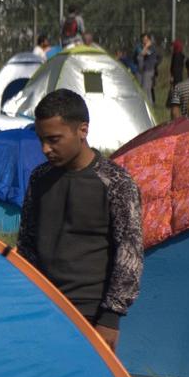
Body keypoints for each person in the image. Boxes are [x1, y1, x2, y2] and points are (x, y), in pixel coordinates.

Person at [18, 89, 141, 350]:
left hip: (91, 314)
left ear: (82, 130)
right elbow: (26, 243)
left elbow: (129, 254)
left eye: (54, 140)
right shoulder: (39, 178)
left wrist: (110, 318)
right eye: (41, 140)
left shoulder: (116, 183)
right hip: (43, 307)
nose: (45, 149)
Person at [135, 34, 159, 103]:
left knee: (145, 89)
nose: (144, 42)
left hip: (149, 71)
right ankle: (150, 106)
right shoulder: (144, 47)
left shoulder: (151, 48)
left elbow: (142, 54)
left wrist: (146, 46)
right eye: (143, 40)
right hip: (144, 70)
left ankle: (148, 106)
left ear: (149, 40)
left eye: (146, 40)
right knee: (147, 90)